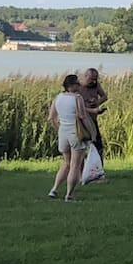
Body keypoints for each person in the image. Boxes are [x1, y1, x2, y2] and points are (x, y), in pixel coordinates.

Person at [48, 73, 89, 201]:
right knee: (75, 165)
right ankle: (69, 194)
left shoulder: (58, 97)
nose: (79, 86)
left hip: (63, 132)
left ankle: (54, 189)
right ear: (71, 85)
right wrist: (90, 133)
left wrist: (58, 128)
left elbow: (51, 117)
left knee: (66, 163)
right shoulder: (77, 98)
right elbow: (83, 117)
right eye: (77, 83)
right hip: (75, 133)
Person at [80, 67, 109, 164]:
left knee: (98, 145)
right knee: (81, 146)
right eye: (91, 78)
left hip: (93, 120)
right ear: (85, 76)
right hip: (81, 121)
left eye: (95, 78)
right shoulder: (78, 87)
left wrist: (97, 102)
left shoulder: (96, 85)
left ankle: (99, 169)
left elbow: (104, 97)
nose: (93, 81)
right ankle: (81, 170)